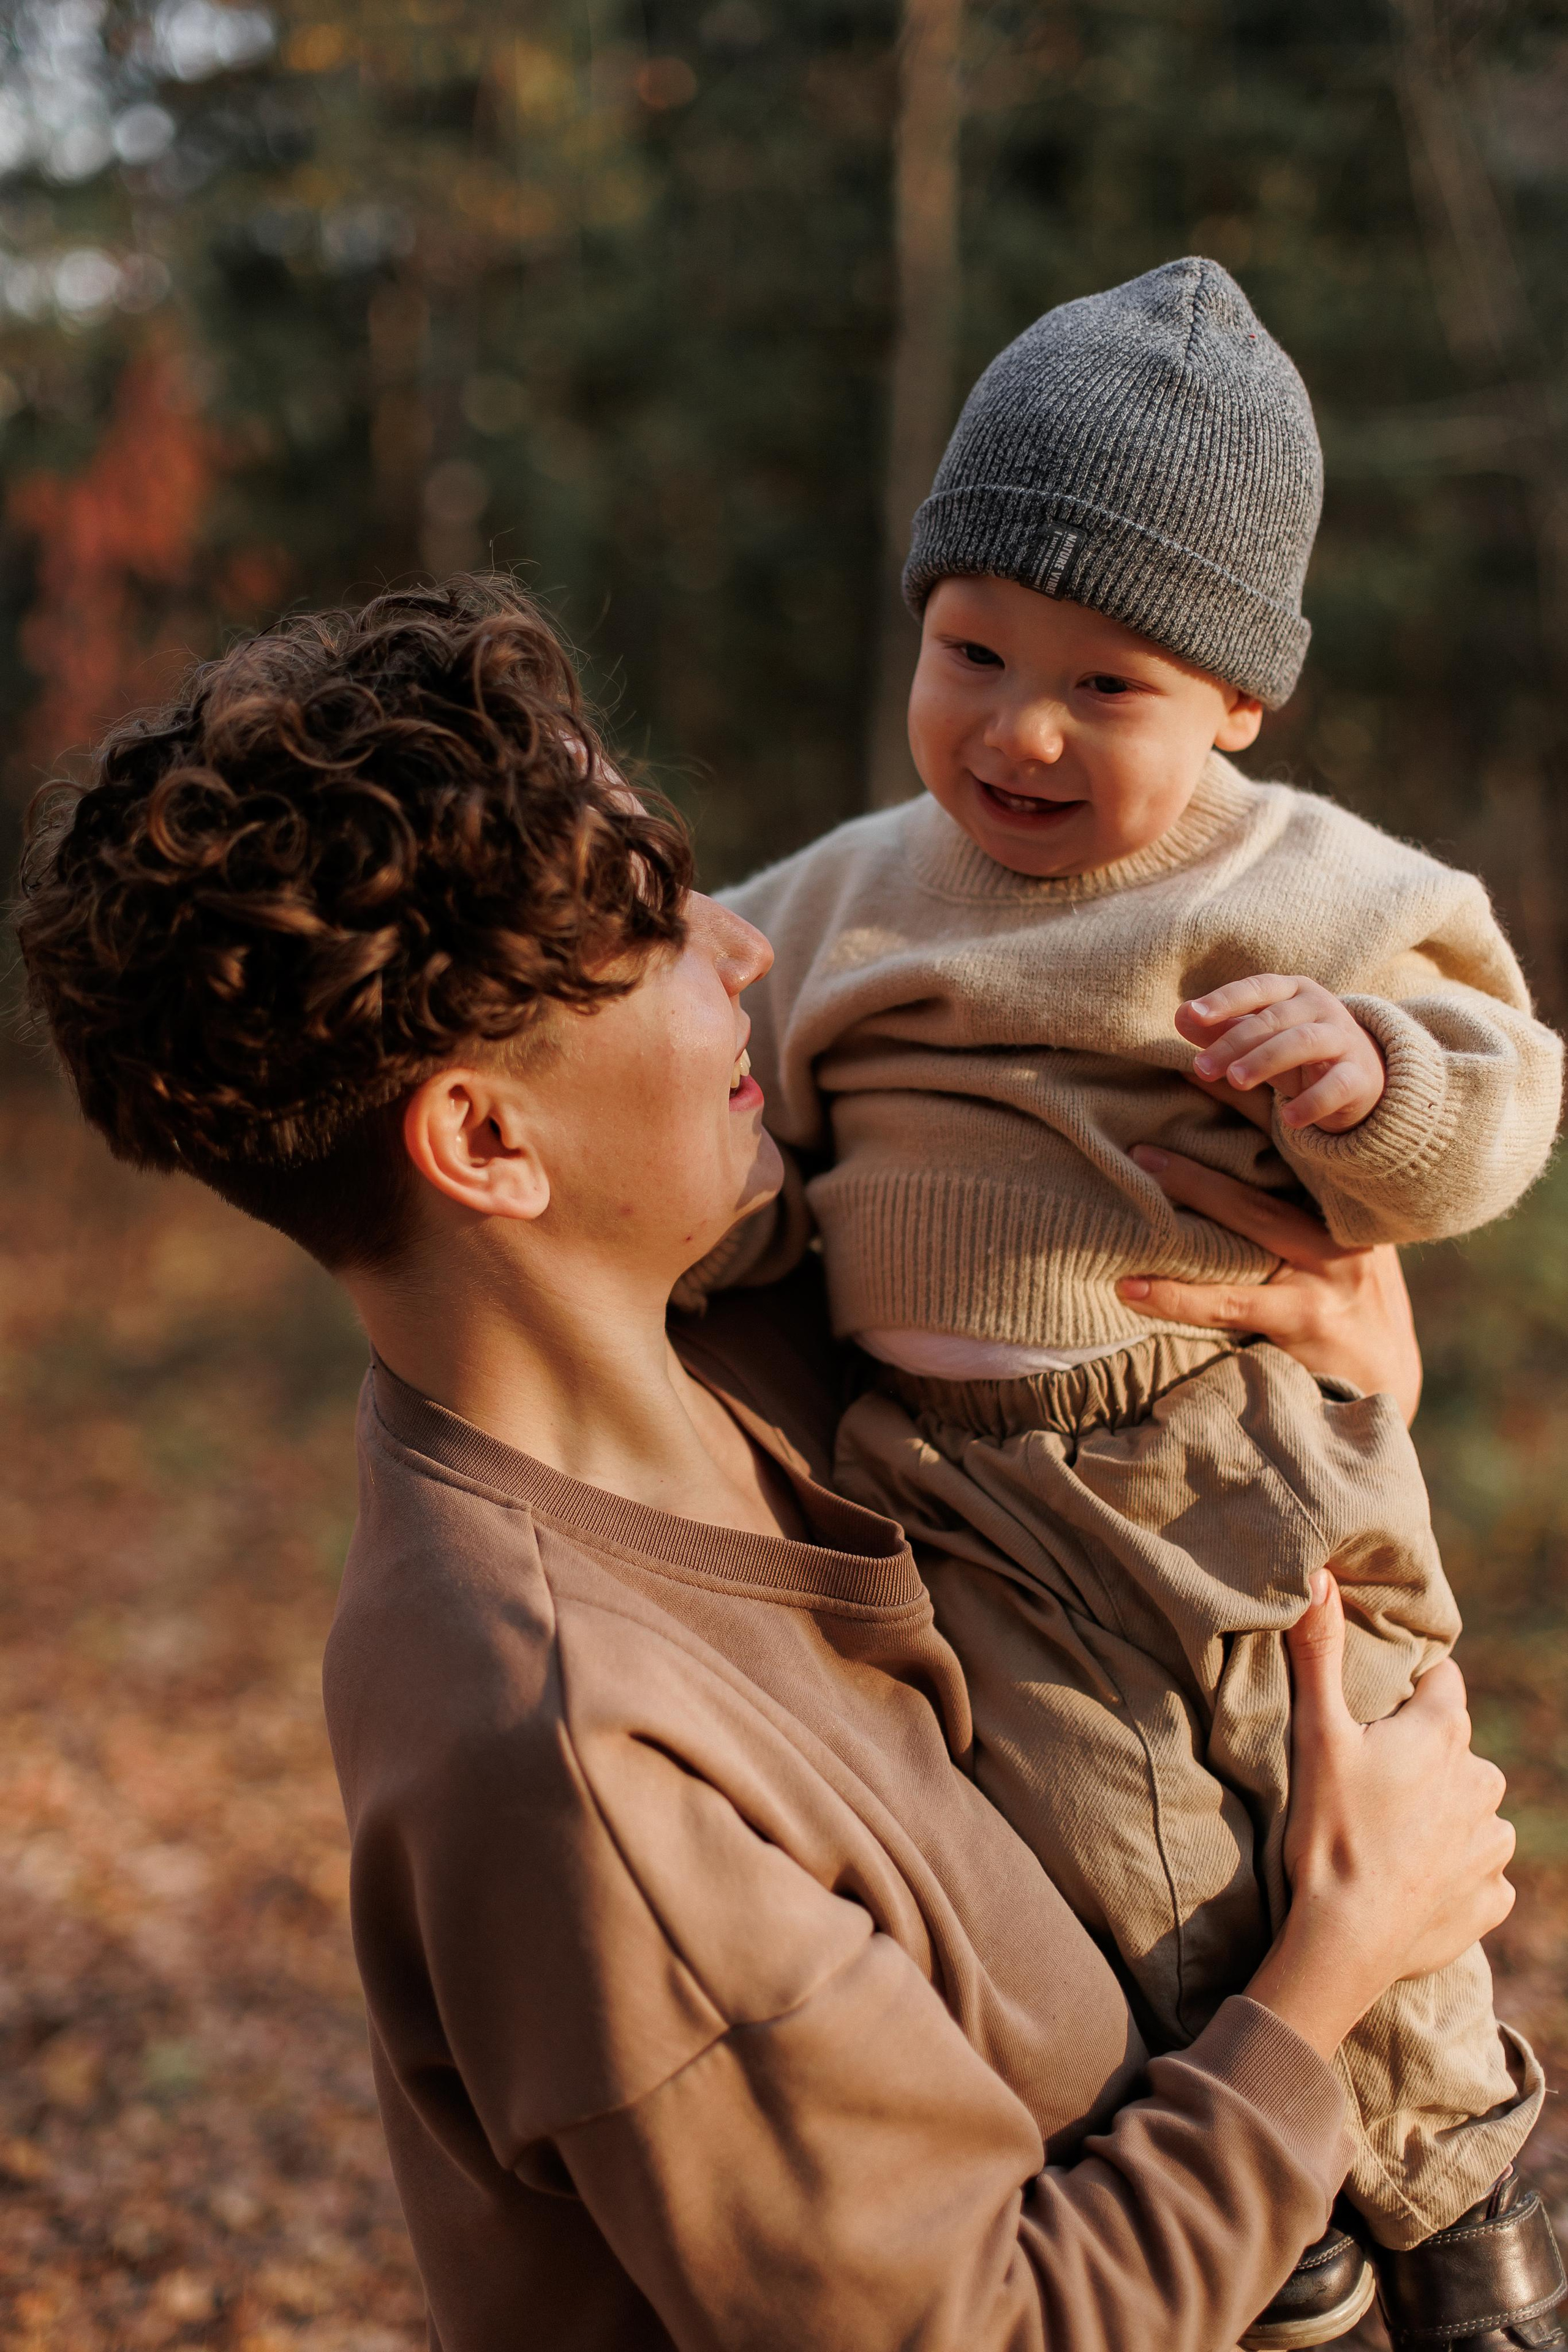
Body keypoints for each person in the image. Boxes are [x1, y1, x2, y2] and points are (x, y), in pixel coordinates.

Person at [13, 576, 1542, 2352]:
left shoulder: (760, 1346)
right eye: (661, 928)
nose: (750, 953)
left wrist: (1329, 1383)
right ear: (488, 1139)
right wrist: (1328, 1978)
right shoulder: (567, 1754)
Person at [706, 259, 1566, 2348]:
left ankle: (1472, 2230)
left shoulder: (1315, 884)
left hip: (1233, 1433)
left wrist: (1373, 1083)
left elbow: (1501, 1098)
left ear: (1241, 702)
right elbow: (696, 1039)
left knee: (1361, 1788)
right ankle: (1287, 2257)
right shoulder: (843, 891)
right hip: (961, 1499)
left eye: (1108, 688)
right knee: (1144, 1862)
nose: (1016, 727)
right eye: (972, 648)